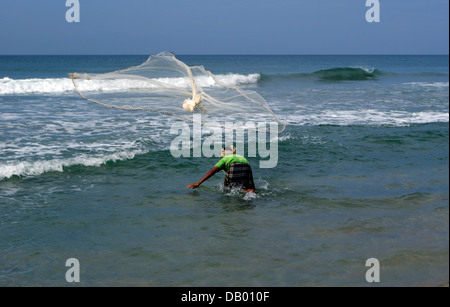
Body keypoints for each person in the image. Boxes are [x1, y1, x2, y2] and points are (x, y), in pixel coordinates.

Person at [187, 146, 256, 193]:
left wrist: (199, 182)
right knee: (250, 189)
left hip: (233, 165)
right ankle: (252, 195)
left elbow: (213, 171)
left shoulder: (225, 159)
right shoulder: (241, 157)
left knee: (227, 188)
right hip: (247, 166)